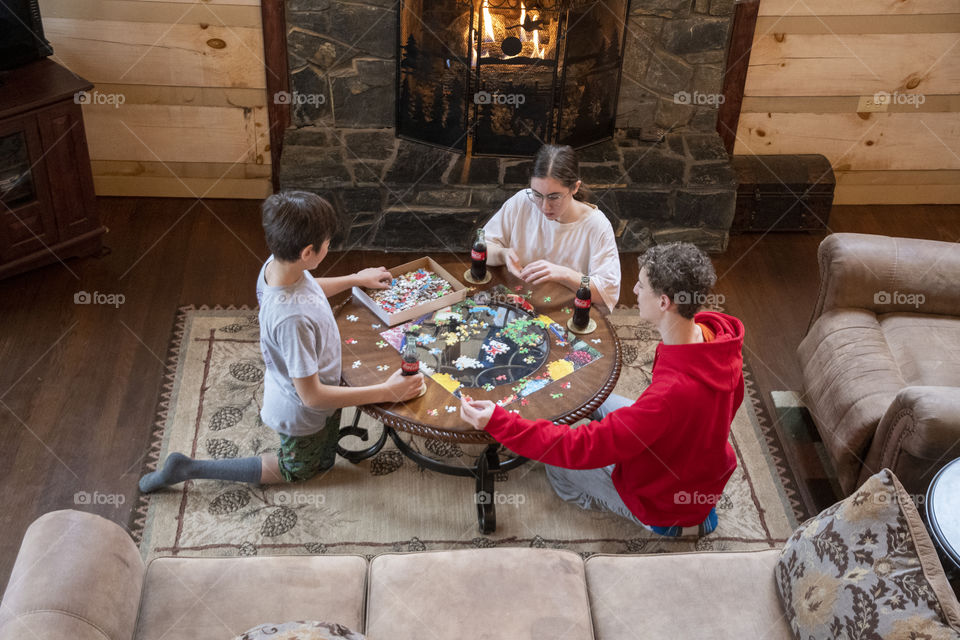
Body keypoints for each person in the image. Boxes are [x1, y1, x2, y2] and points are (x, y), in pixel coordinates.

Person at [139, 191, 425, 492]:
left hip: (312, 383)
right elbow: (312, 397)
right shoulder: (292, 320)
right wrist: (384, 392)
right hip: (302, 411)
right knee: (297, 469)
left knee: (324, 458)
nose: (330, 246)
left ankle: (317, 452)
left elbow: (310, 287)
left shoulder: (276, 267)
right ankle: (187, 468)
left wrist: (355, 278)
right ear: (307, 253)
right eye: (328, 243)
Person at [460, 242, 744, 536]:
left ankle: (664, 524)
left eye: (642, 285)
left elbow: (579, 448)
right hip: (692, 462)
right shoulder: (717, 340)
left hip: (663, 506)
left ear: (664, 303)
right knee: (598, 401)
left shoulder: (667, 399)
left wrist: (499, 421)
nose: (634, 290)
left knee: (557, 464)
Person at [482, 144, 621, 312]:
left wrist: (564, 274)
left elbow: (606, 292)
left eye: (554, 197)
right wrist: (502, 254)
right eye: (537, 195)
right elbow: (482, 248)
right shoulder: (522, 202)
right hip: (516, 305)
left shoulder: (596, 225)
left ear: (575, 187)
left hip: (564, 313)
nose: (544, 206)